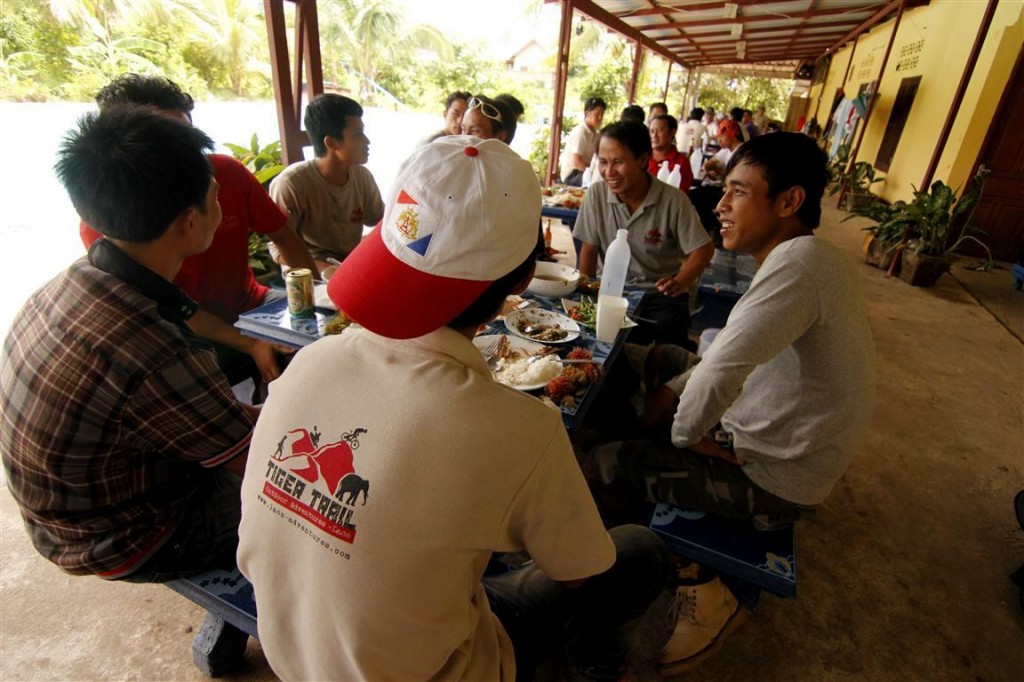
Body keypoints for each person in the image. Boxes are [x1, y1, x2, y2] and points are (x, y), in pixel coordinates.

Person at [236, 137, 669, 681]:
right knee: (639, 551)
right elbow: (578, 572)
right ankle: (595, 667)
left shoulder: (309, 362)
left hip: (292, 656)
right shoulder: (522, 428)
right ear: (519, 281)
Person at [592, 133, 875, 671]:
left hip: (777, 474)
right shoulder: (805, 257)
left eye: (738, 192)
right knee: (658, 360)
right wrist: (675, 391)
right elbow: (727, 349)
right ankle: (654, 426)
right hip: (779, 425)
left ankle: (701, 582)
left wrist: (685, 433)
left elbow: (723, 369)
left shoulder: (797, 267)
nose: (719, 206)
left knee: (607, 463)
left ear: (789, 202)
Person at [1, 106, 256, 583]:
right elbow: (259, 461)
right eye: (216, 196)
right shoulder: (158, 351)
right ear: (190, 223)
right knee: (316, 507)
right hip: (126, 540)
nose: (221, 206)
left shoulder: (73, 279)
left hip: (59, 518)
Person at [78, 74, 318, 386]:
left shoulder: (223, 173)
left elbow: (284, 235)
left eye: (189, 140)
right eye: (169, 147)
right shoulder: (110, 221)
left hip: (253, 304)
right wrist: (250, 343)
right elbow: (172, 308)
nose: (191, 162)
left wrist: (317, 300)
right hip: (181, 326)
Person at [574, 120, 714, 346]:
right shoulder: (597, 195)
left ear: (642, 159)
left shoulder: (673, 200)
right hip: (609, 290)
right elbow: (589, 251)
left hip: (657, 296)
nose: (609, 172)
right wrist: (585, 297)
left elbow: (703, 249)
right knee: (595, 344)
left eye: (618, 162)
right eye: (603, 162)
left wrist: (680, 281)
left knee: (667, 347)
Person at [269, 94, 384, 272]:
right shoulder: (291, 184)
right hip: (307, 275)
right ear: (331, 143)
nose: (367, 141)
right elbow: (278, 249)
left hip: (348, 267)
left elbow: (380, 222)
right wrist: (331, 271)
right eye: (358, 134)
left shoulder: (362, 177)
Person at [689, 119, 743, 245]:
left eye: (722, 137)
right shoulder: (726, 150)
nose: (719, 140)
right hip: (722, 187)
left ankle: (712, 229)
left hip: (731, 192)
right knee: (695, 195)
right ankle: (709, 229)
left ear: (732, 135)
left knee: (697, 197)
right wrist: (714, 171)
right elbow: (709, 164)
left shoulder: (741, 151)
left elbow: (733, 176)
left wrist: (719, 172)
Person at [559, 96, 606, 186]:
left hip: (584, 172)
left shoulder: (596, 135)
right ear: (587, 113)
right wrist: (592, 175)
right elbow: (576, 162)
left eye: (602, 114)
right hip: (572, 174)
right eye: (597, 114)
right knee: (598, 183)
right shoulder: (581, 131)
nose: (600, 117)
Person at [648, 114, 694, 193]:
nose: (654, 135)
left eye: (660, 130)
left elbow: (681, 193)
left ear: (673, 132)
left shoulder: (681, 162)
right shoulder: (642, 157)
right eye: (652, 131)